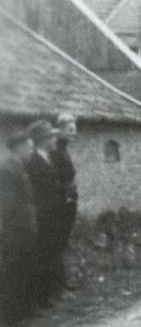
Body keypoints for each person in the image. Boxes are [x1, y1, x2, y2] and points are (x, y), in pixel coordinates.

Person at [0, 129, 38, 325]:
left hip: (23, 227)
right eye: (30, 147)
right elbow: (7, 204)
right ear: (20, 147)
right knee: (13, 271)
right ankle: (11, 316)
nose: (32, 151)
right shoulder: (7, 168)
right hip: (15, 230)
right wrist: (16, 229)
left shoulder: (19, 166)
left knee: (23, 269)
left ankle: (22, 312)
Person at [25, 120, 65, 308]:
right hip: (43, 216)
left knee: (53, 252)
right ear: (43, 139)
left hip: (54, 214)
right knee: (44, 255)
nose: (55, 139)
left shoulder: (50, 157)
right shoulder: (33, 161)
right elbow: (36, 192)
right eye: (51, 136)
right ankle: (44, 298)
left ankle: (54, 292)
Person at [50, 113, 78, 292]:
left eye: (75, 129)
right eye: (70, 130)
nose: (74, 133)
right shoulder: (56, 152)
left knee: (63, 241)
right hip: (62, 202)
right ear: (59, 131)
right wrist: (65, 196)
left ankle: (61, 281)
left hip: (69, 199)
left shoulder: (64, 149)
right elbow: (55, 179)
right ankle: (57, 283)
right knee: (58, 242)